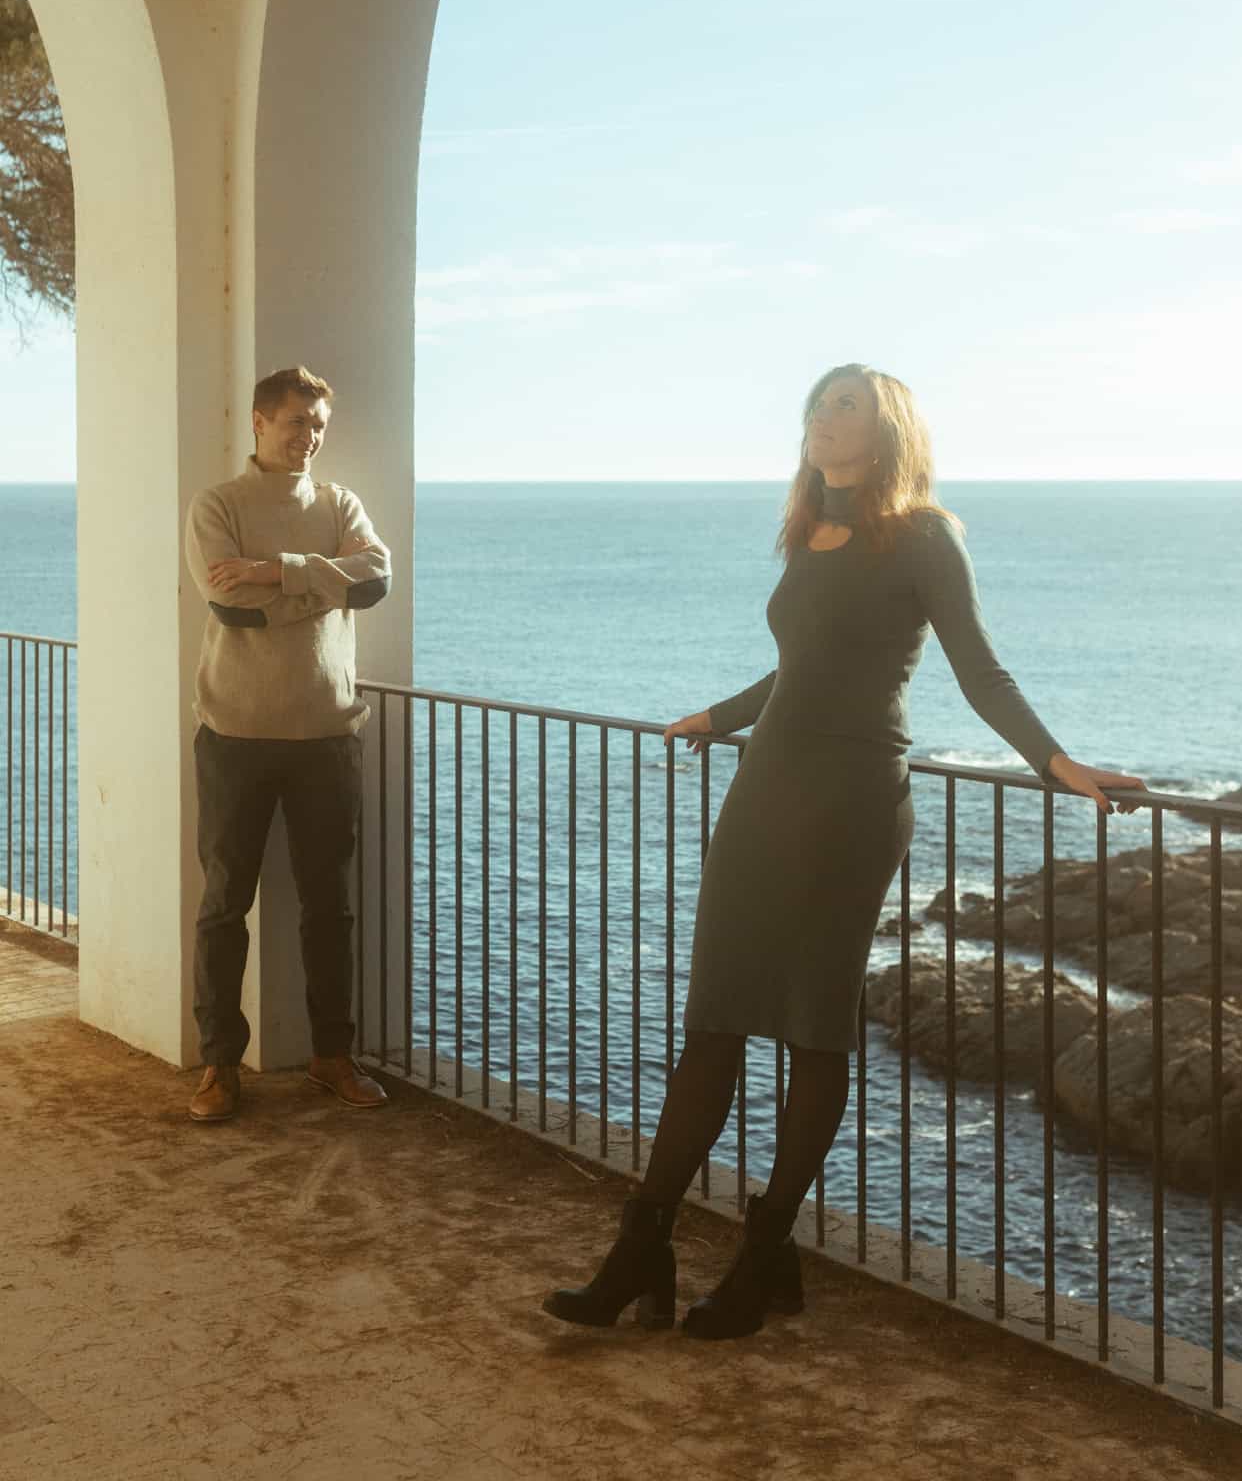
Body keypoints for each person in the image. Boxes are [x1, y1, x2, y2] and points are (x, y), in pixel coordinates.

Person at [543, 362, 1145, 1338]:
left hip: (852, 801)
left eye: (847, 404)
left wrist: (1057, 762)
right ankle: (640, 1242)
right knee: (715, 1019)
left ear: (889, 429)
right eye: (819, 402)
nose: (825, 416)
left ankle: (764, 1251)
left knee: (814, 1028)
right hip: (765, 791)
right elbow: (803, 662)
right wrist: (722, 713)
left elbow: (979, 669)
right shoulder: (805, 528)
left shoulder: (923, 536)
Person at [182, 365, 393, 1123]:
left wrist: (279, 570)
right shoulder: (218, 505)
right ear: (259, 423)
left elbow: (376, 580)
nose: (308, 437)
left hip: (326, 735)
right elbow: (230, 607)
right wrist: (321, 586)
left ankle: (331, 1056)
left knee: (327, 905)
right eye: (295, 422)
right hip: (236, 734)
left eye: (318, 427)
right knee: (223, 906)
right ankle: (218, 1067)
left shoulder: (339, 503)